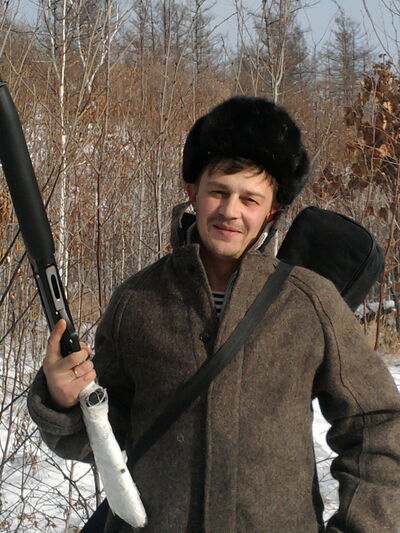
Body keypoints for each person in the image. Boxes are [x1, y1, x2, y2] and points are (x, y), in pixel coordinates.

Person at [28, 97, 400, 533]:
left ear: (272, 212)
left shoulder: (310, 302)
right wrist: (66, 401)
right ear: (194, 193)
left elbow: (377, 426)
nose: (230, 211)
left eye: (250, 199)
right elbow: (105, 438)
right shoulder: (138, 300)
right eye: (219, 192)